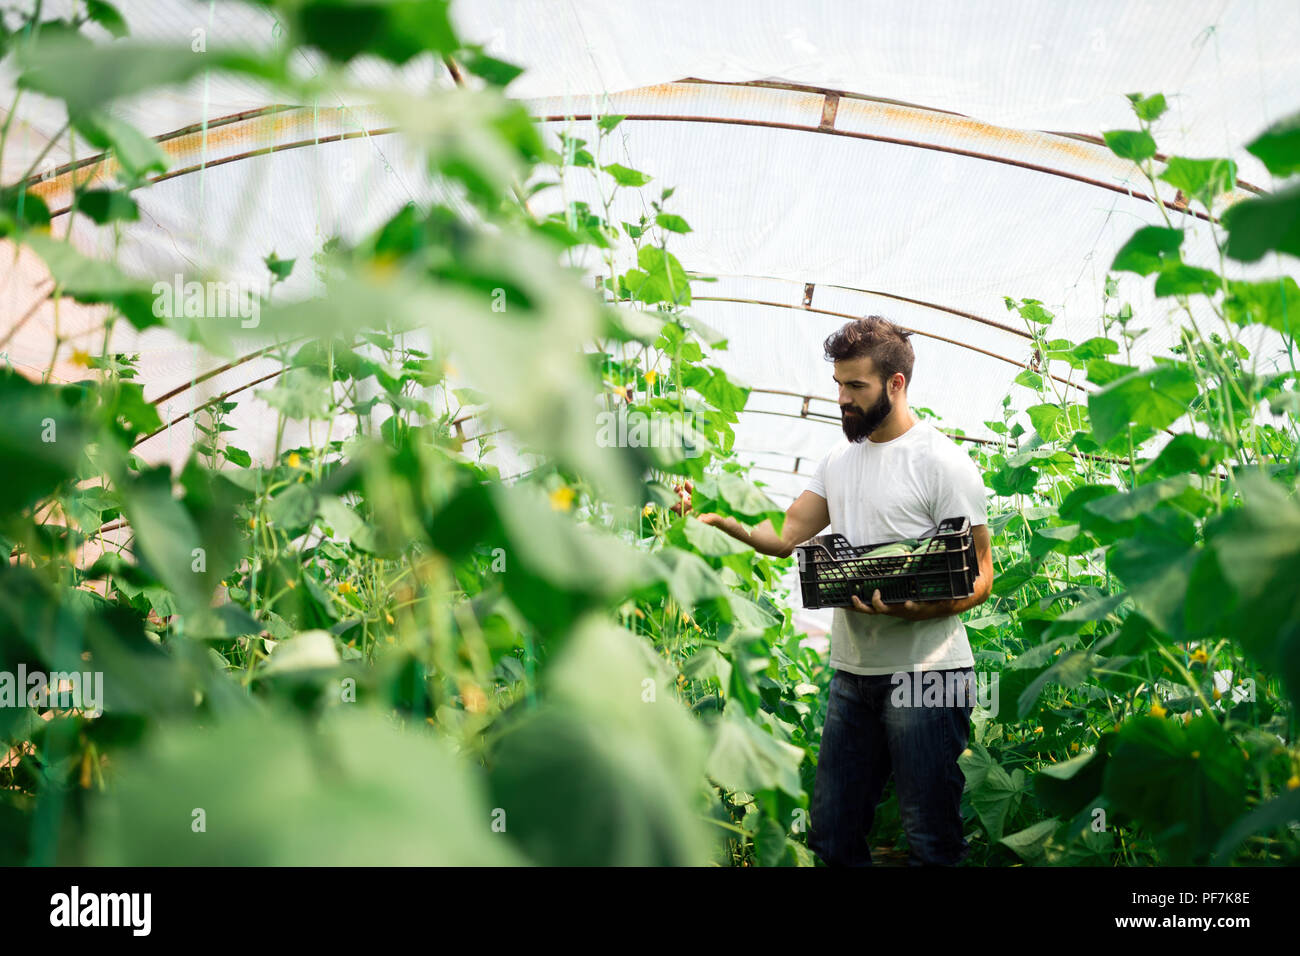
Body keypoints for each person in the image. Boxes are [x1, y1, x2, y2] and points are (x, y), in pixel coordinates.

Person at [697, 315, 994, 866]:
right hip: (854, 675)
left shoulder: (941, 461)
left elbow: (980, 574)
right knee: (832, 836)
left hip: (928, 676)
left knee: (931, 841)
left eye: (855, 386)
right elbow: (784, 534)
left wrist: (919, 608)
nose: (842, 398)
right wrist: (719, 517)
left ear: (895, 384)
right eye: (838, 384)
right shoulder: (838, 461)